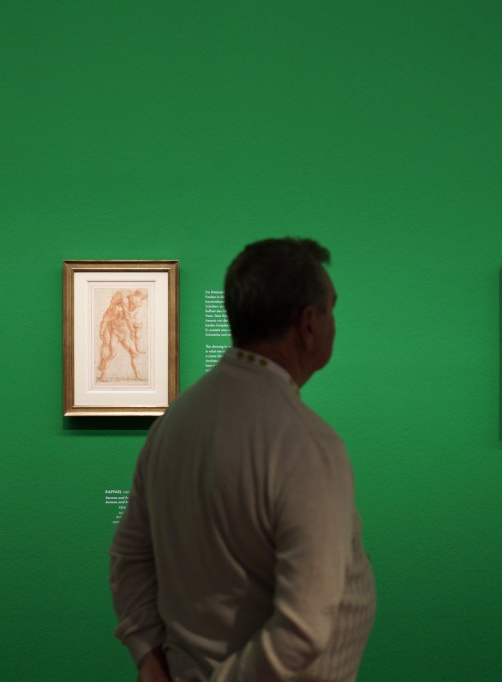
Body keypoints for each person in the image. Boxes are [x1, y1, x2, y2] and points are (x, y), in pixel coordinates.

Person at [110, 238, 375, 681]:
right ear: (308, 324)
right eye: (331, 309)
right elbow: (302, 631)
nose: (333, 324)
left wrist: (149, 658)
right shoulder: (305, 442)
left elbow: (130, 555)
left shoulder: (175, 421)